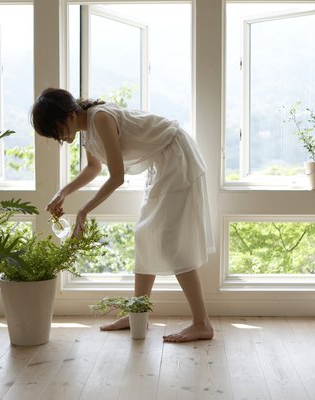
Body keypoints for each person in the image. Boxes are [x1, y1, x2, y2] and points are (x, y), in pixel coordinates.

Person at [31, 88, 215, 343]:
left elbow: (117, 177)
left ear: (69, 116)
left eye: (56, 130)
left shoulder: (100, 118)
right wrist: (64, 192)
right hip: (162, 161)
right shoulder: (88, 132)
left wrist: (84, 211)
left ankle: (201, 323)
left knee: (171, 242)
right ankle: (137, 314)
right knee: (145, 234)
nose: (59, 138)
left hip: (176, 156)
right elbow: (94, 168)